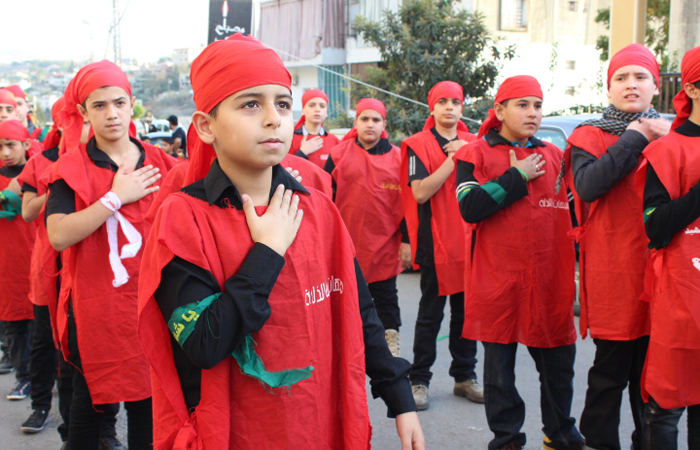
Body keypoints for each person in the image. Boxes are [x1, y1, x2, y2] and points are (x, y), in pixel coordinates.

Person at [137, 33, 424, 450]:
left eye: (283, 104)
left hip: (320, 422)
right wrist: (267, 252)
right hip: (237, 433)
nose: (274, 118)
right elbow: (203, 344)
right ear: (205, 126)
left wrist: (400, 399)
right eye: (250, 104)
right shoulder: (183, 218)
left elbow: (359, 311)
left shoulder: (320, 210)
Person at [45, 60, 175, 450]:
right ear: (83, 112)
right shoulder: (70, 167)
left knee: (149, 406)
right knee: (90, 405)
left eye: (118, 103)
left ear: (131, 104)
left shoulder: (163, 162)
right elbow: (58, 235)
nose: (111, 113)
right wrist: (116, 197)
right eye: (99, 106)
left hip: (154, 302)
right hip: (96, 307)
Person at [454, 75, 583, 450]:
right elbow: (470, 207)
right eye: (522, 105)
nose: (532, 113)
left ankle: (559, 432)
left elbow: (574, 212)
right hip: (499, 279)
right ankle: (507, 439)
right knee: (499, 374)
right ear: (499, 110)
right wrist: (517, 177)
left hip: (549, 278)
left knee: (558, 365)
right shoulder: (474, 154)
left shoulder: (556, 156)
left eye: (537, 105)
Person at [561, 43, 669, 450]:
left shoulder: (673, 135)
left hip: (664, 269)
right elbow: (589, 186)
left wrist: (663, 138)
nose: (631, 84)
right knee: (610, 373)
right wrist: (637, 136)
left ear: (655, 86)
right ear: (609, 89)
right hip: (614, 269)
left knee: (653, 377)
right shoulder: (589, 135)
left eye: (641, 77)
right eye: (621, 78)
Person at [400, 80, 481, 410]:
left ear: (462, 107)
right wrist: (454, 160)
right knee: (430, 314)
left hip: (470, 239)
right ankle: (419, 379)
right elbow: (421, 192)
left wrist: (464, 151)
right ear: (431, 107)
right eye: (443, 101)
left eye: (456, 102)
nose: (450, 107)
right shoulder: (417, 145)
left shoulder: (475, 143)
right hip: (435, 240)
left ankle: (465, 376)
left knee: (466, 313)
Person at [634, 45, 700, 450]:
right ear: (691, 88)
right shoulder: (667, 149)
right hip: (680, 294)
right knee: (667, 404)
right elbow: (655, 227)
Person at [324, 98, 410, 357]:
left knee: (385, 297)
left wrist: (406, 240)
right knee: (346, 297)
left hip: (384, 243)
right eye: (364, 119)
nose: (370, 124)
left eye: (375, 120)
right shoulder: (339, 154)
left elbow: (408, 204)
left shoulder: (399, 158)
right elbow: (325, 197)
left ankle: (390, 346)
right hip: (345, 241)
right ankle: (347, 346)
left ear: (384, 124)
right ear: (356, 123)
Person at [0, 119, 37, 402]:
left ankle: (45, 377)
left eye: (10, 145)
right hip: (7, 265)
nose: (5, 152)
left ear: (25, 144)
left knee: (41, 327)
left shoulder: (40, 173)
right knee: (14, 326)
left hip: (37, 259)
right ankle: (24, 378)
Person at [289, 89, 341, 168]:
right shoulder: (290, 139)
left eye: (322, 106)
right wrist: (302, 152)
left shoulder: (334, 141)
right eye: (312, 105)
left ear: (326, 112)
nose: (317, 109)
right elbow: (283, 170)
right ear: (303, 110)